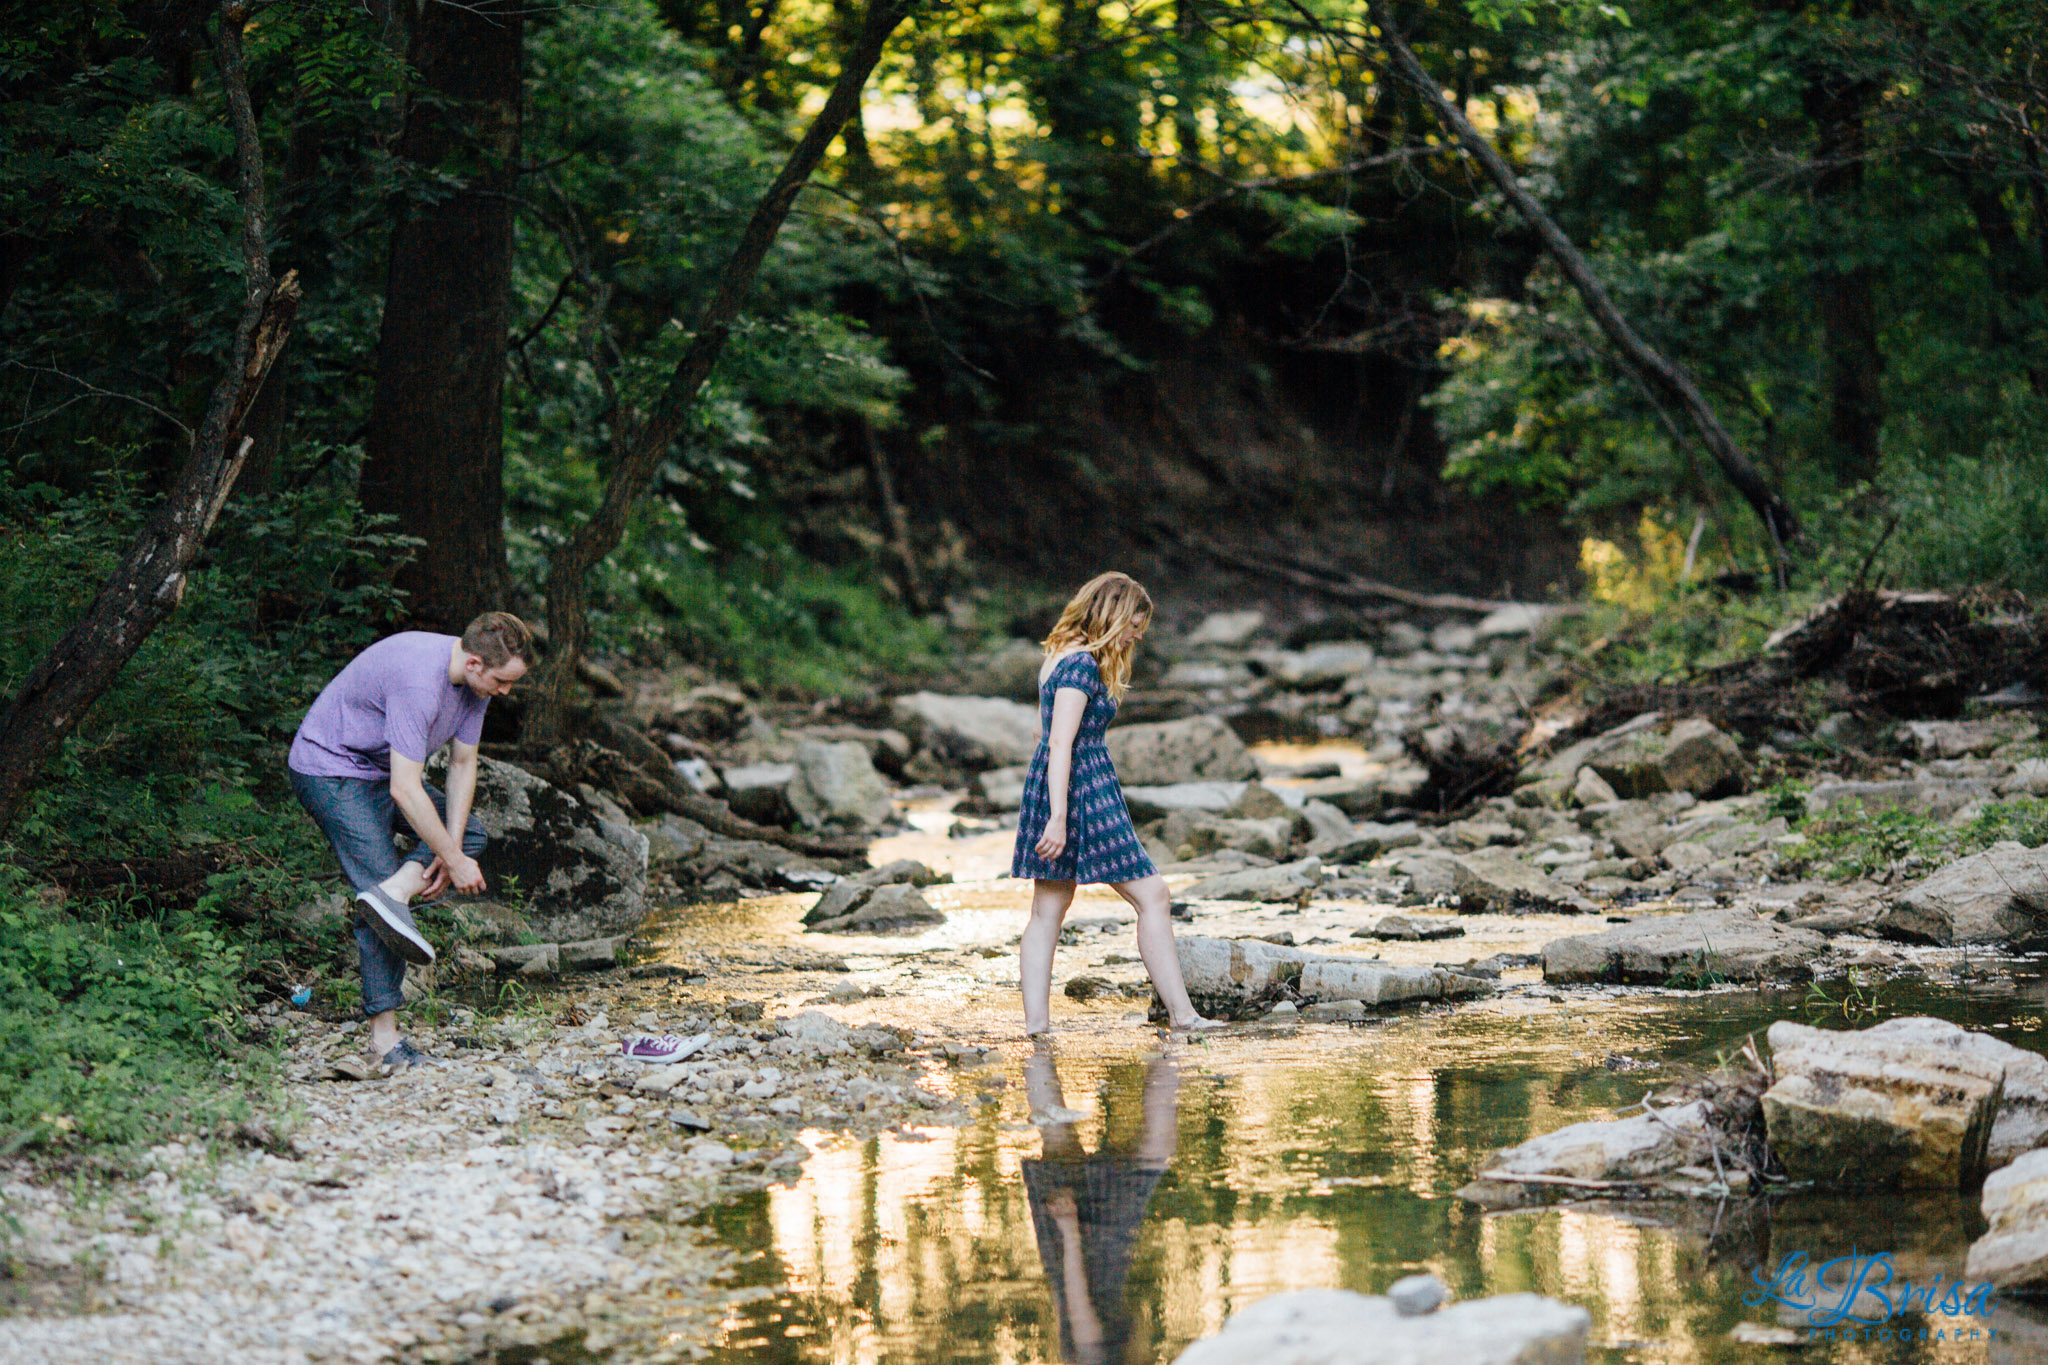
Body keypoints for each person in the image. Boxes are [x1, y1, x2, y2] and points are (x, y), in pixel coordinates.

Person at [288, 611, 531, 1067]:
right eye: (502, 681)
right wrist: (450, 859)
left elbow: (461, 765)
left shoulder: (474, 685)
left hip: (378, 774)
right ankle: (385, 1042)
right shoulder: (420, 680)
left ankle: (395, 890)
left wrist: (453, 848)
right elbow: (405, 788)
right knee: (380, 894)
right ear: (476, 664)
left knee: (466, 835)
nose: (506, 692)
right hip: (330, 769)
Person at [1012, 572, 1220, 1034]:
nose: (1137, 636)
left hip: (1054, 784)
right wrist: (1060, 816)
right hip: (1083, 790)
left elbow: (1039, 735)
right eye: (1133, 625)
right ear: (1111, 615)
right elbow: (1061, 743)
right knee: (1153, 895)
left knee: (1047, 911)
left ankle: (1036, 1028)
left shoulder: (1056, 657)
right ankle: (1184, 1015)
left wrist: (1048, 804)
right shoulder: (1082, 665)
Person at [1022, 1043, 1181, 1365]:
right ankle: (1035, 1042)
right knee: (1058, 1137)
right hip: (1092, 1254)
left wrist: (1068, 1230)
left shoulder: (1093, 1358)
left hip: (1086, 1248)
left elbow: (1078, 1313)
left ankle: (1173, 1045)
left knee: (1151, 1150)